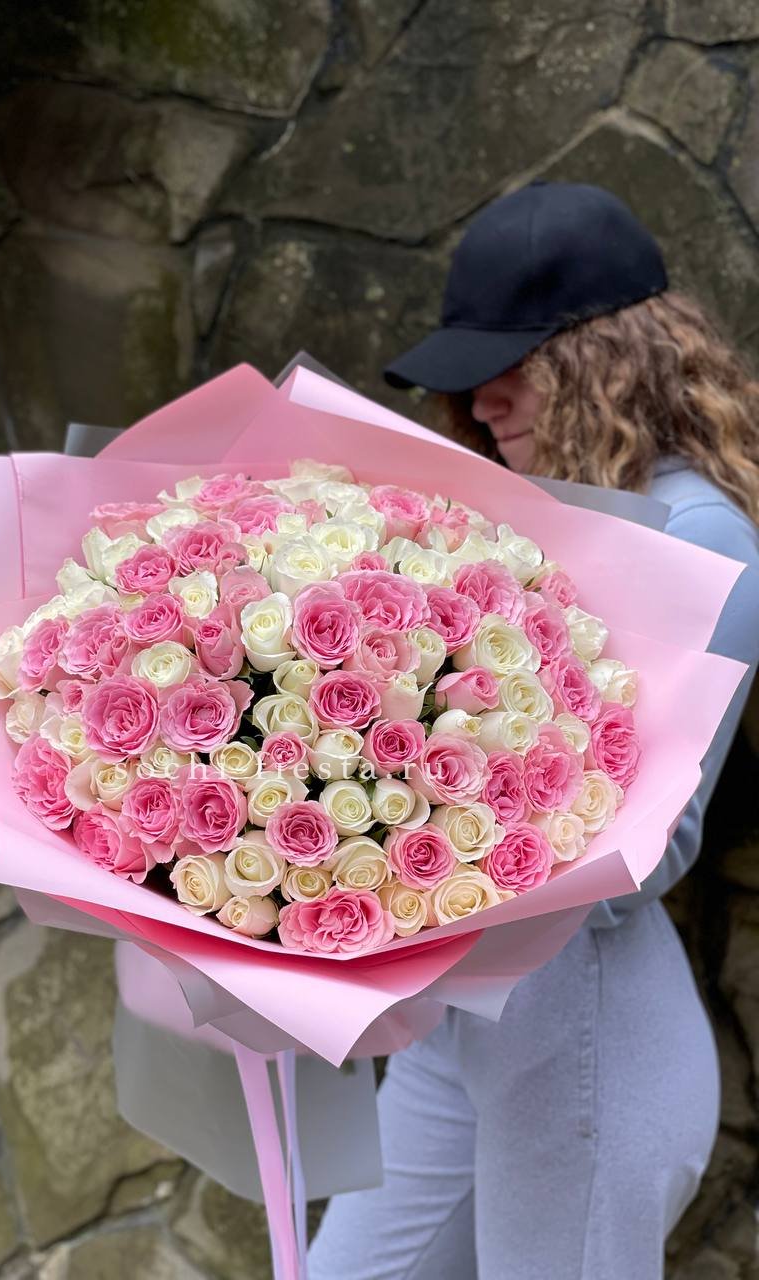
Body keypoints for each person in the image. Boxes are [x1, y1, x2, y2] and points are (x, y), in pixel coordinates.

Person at [306, 180, 759, 1279]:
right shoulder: (541, 507)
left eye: (510, 366)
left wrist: (406, 824)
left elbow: (652, 850)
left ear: (604, 359)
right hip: (473, 1018)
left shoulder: (700, 533)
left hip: (584, 1041)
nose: (479, 401)